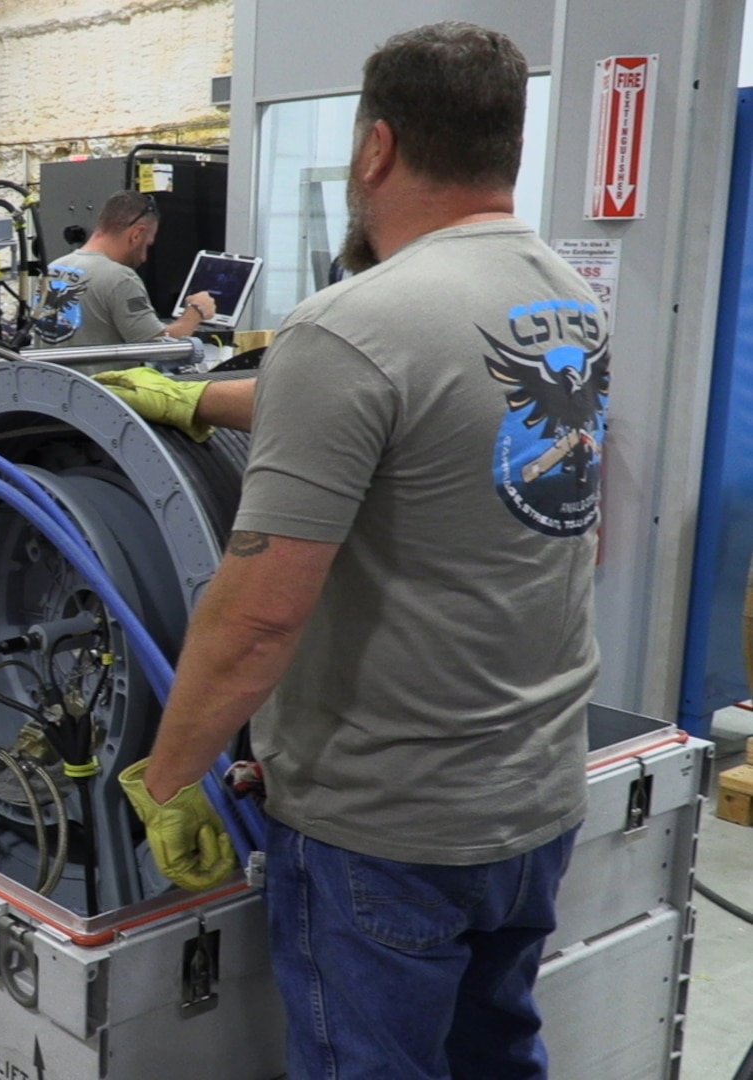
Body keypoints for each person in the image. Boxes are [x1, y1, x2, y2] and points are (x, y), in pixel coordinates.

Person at [119, 22, 608, 1080]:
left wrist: (168, 778)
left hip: (387, 829)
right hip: (531, 797)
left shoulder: (345, 327)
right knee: (494, 1053)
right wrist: (205, 400)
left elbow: (257, 614)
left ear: (375, 148)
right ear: (505, 146)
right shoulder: (562, 302)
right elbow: (452, 432)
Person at [30, 189, 217, 347]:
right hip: (101, 389)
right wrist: (195, 311)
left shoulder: (54, 267)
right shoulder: (119, 277)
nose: (144, 258)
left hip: (51, 388)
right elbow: (160, 349)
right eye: (147, 245)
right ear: (137, 234)